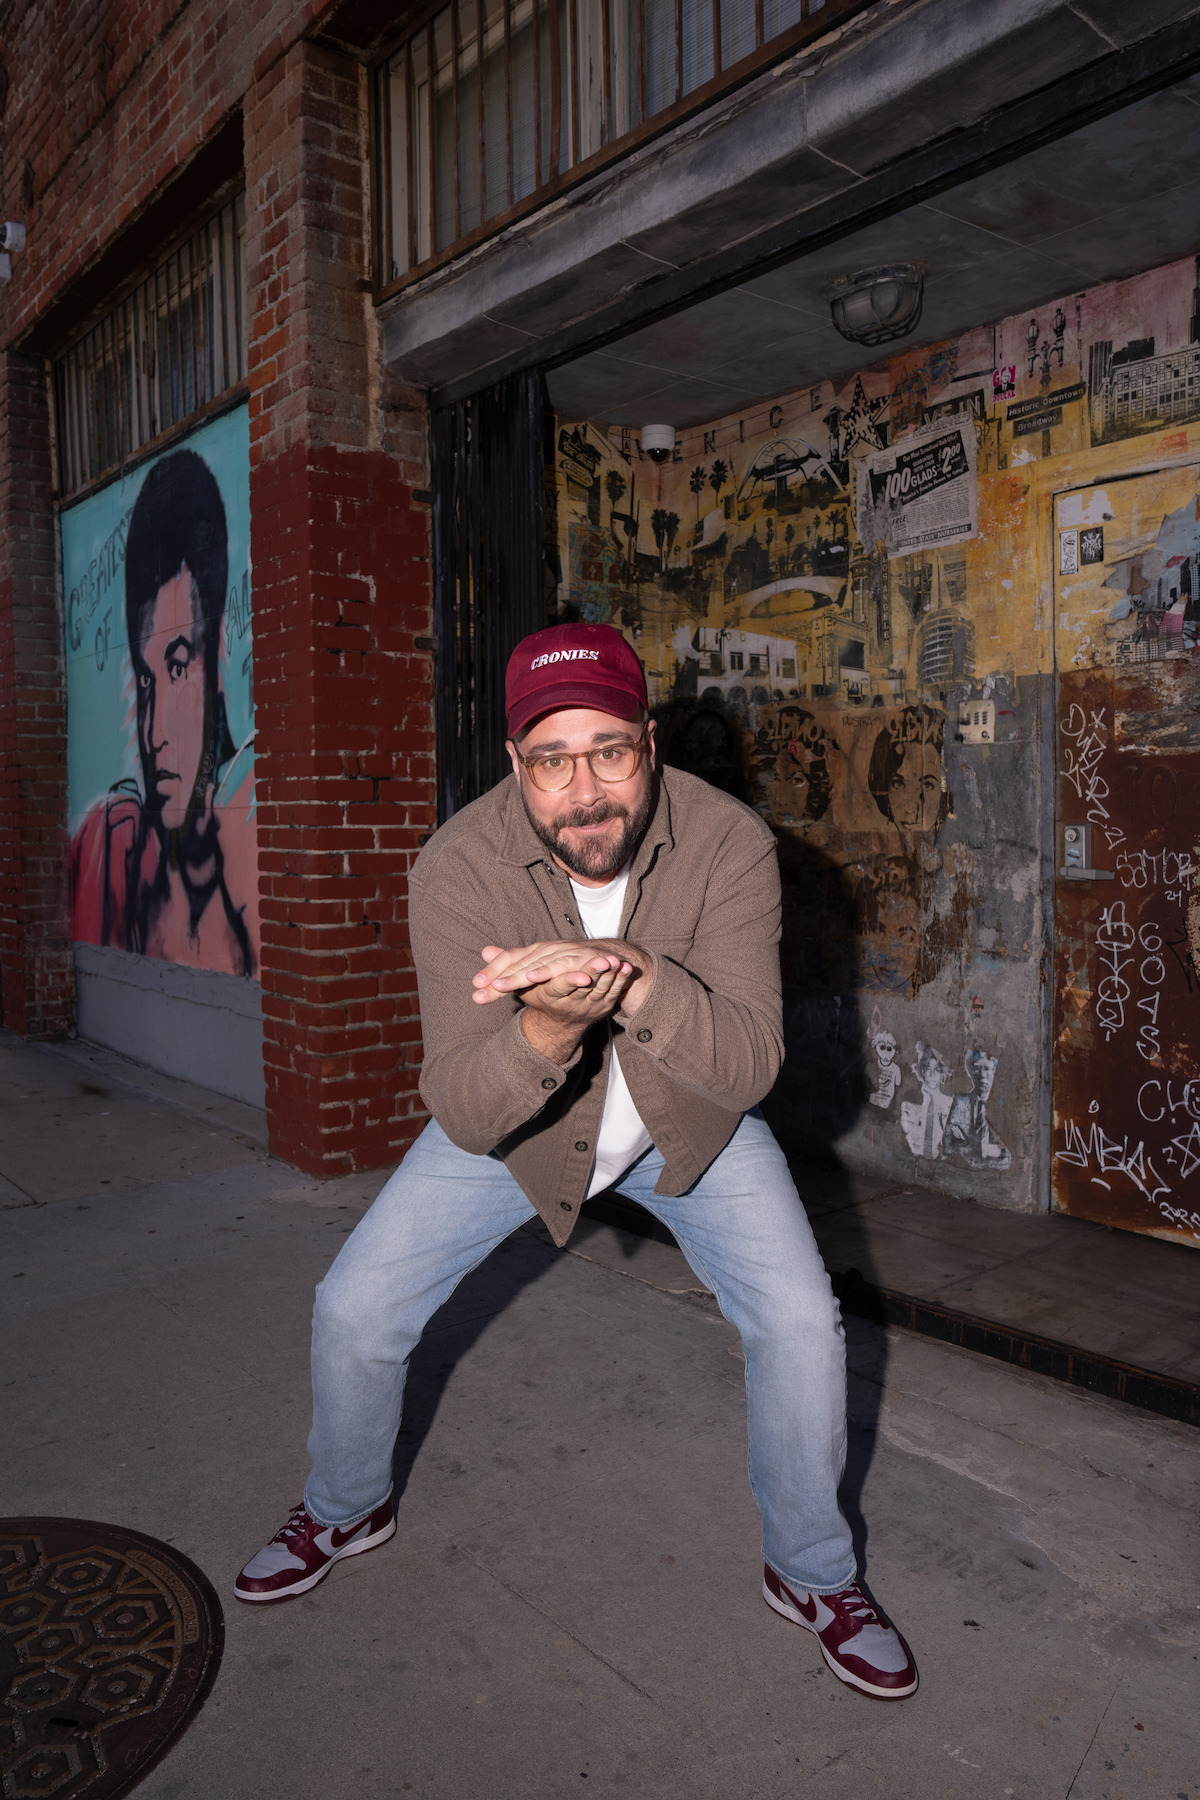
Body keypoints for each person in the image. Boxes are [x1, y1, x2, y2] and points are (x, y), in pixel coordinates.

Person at [234, 621, 918, 1702]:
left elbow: (744, 1065)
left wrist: (638, 976)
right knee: (354, 1307)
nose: (585, 791)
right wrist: (546, 1034)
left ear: (648, 745)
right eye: (551, 761)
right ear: (516, 765)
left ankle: (812, 1573)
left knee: (799, 1323)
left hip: (686, 1119)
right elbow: (462, 1107)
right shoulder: (456, 865)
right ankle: (344, 1504)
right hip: (524, 1128)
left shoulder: (730, 842)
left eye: (610, 752)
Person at [69, 448, 258, 975]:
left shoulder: (257, 822)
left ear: (219, 652)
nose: (152, 733)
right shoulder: (118, 849)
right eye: (147, 680)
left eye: (178, 667)